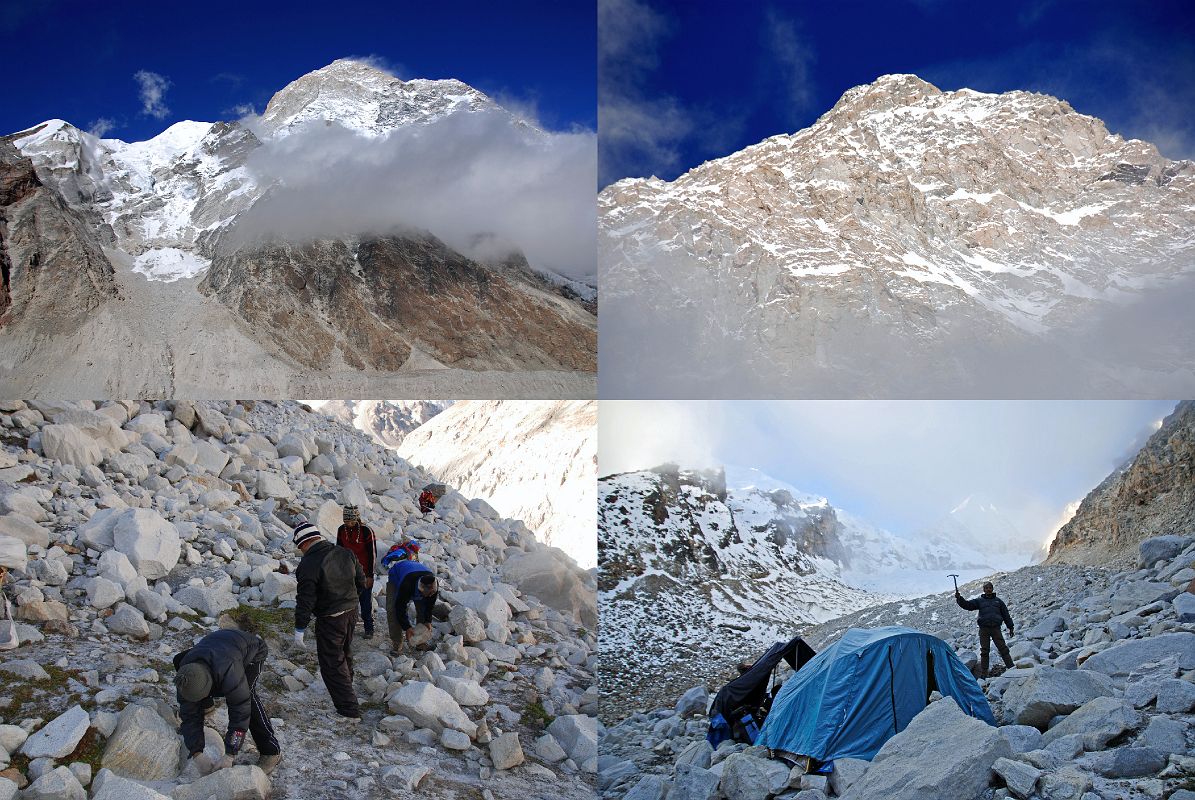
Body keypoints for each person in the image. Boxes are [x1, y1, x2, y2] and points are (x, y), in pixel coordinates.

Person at [172, 628, 281, 775]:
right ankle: (206, 705)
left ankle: (271, 751)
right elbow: (188, 714)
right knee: (192, 703)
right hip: (219, 646)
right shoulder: (185, 676)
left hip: (252, 649)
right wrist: (196, 753)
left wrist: (230, 754)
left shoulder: (230, 673)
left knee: (248, 696)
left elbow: (240, 712)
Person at [293, 520, 365, 719]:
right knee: (345, 650)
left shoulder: (308, 564)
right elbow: (361, 580)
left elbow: (306, 600)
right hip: (352, 611)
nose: (300, 551)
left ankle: (349, 710)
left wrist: (300, 628)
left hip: (330, 618)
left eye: (299, 546)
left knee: (332, 663)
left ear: (304, 543)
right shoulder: (345, 552)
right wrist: (351, 599)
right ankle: (347, 687)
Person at [955, 581, 1015, 677]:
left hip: (996, 629)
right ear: (983, 590)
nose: (988, 589)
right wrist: (959, 598)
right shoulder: (979, 601)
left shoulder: (998, 601)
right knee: (984, 651)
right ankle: (984, 673)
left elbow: (1006, 614)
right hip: (984, 630)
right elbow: (968, 605)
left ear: (992, 589)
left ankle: (1011, 667)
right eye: (986, 588)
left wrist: (1010, 627)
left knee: (1003, 648)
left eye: (990, 587)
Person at [335, 505, 377, 639]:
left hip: (363, 572)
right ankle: (346, 628)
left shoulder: (366, 531)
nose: (348, 523)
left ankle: (368, 628)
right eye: (346, 521)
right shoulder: (341, 530)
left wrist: (370, 575)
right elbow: (339, 551)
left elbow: (372, 554)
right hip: (347, 571)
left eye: (351, 521)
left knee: (365, 602)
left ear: (357, 518)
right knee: (347, 602)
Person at [385, 557, 438, 654]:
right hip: (397, 576)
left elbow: (429, 606)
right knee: (392, 609)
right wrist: (407, 627)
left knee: (422, 609)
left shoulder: (434, 585)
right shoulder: (406, 585)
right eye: (425, 594)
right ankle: (397, 643)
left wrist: (427, 621)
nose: (428, 596)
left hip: (414, 571)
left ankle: (420, 642)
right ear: (420, 588)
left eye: (430, 594)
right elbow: (400, 608)